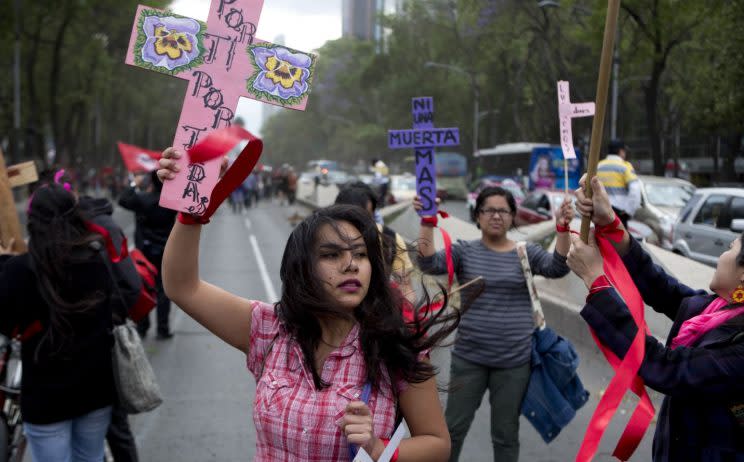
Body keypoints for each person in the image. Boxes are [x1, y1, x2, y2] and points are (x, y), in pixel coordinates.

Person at [156, 147, 461, 461]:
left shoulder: (396, 343)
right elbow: (182, 287)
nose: (351, 264)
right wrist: (193, 205)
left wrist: (379, 448)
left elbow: (436, 443)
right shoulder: (269, 328)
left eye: (360, 254)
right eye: (331, 255)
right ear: (303, 268)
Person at [566, 176, 744, 462]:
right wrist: (611, 224)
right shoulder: (719, 310)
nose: (721, 255)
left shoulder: (739, 351)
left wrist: (595, 279)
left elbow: (664, 367)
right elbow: (666, 291)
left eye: (730, 249)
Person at [415, 186, 574, 462]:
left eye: (504, 210)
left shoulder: (527, 253)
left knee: (505, 435)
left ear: (513, 217)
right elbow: (428, 263)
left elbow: (557, 268)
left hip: (514, 362)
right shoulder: (464, 251)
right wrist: (427, 222)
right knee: (452, 430)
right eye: (489, 210)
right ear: (478, 216)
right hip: (469, 359)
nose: (496, 216)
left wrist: (562, 228)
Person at [0, 183, 117, 462]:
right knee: (90, 457)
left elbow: (5, 323)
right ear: (75, 215)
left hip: (45, 397)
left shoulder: (19, 271)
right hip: (95, 389)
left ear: (33, 222)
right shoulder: (96, 257)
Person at [78, 194, 142, 462]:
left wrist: (109, 315)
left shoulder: (100, 229)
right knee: (109, 425)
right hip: (100, 334)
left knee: (110, 423)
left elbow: (128, 284)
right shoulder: (105, 225)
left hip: (102, 336)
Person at [119, 170, 177, 339]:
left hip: (144, 251)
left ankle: (143, 326)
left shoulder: (141, 200)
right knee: (163, 289)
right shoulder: (171, 201)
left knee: (143, 287)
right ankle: (163, 328)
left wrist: (134, 184)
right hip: (166, 250)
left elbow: (122, 199)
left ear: (150, 182)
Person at [334, 184, 416, 303]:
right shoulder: (322, 238)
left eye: (366, 217)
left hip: (376, 313)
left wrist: (409, 315)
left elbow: (406, 288)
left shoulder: (389, 240)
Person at [596, 139, 641, 228]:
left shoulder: (598, 166)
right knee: (619, 241)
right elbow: (635, 192)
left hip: (600, 212)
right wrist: (629, 211)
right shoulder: (625, 166)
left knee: (601, 240)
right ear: (621, 151)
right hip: (619, 214)